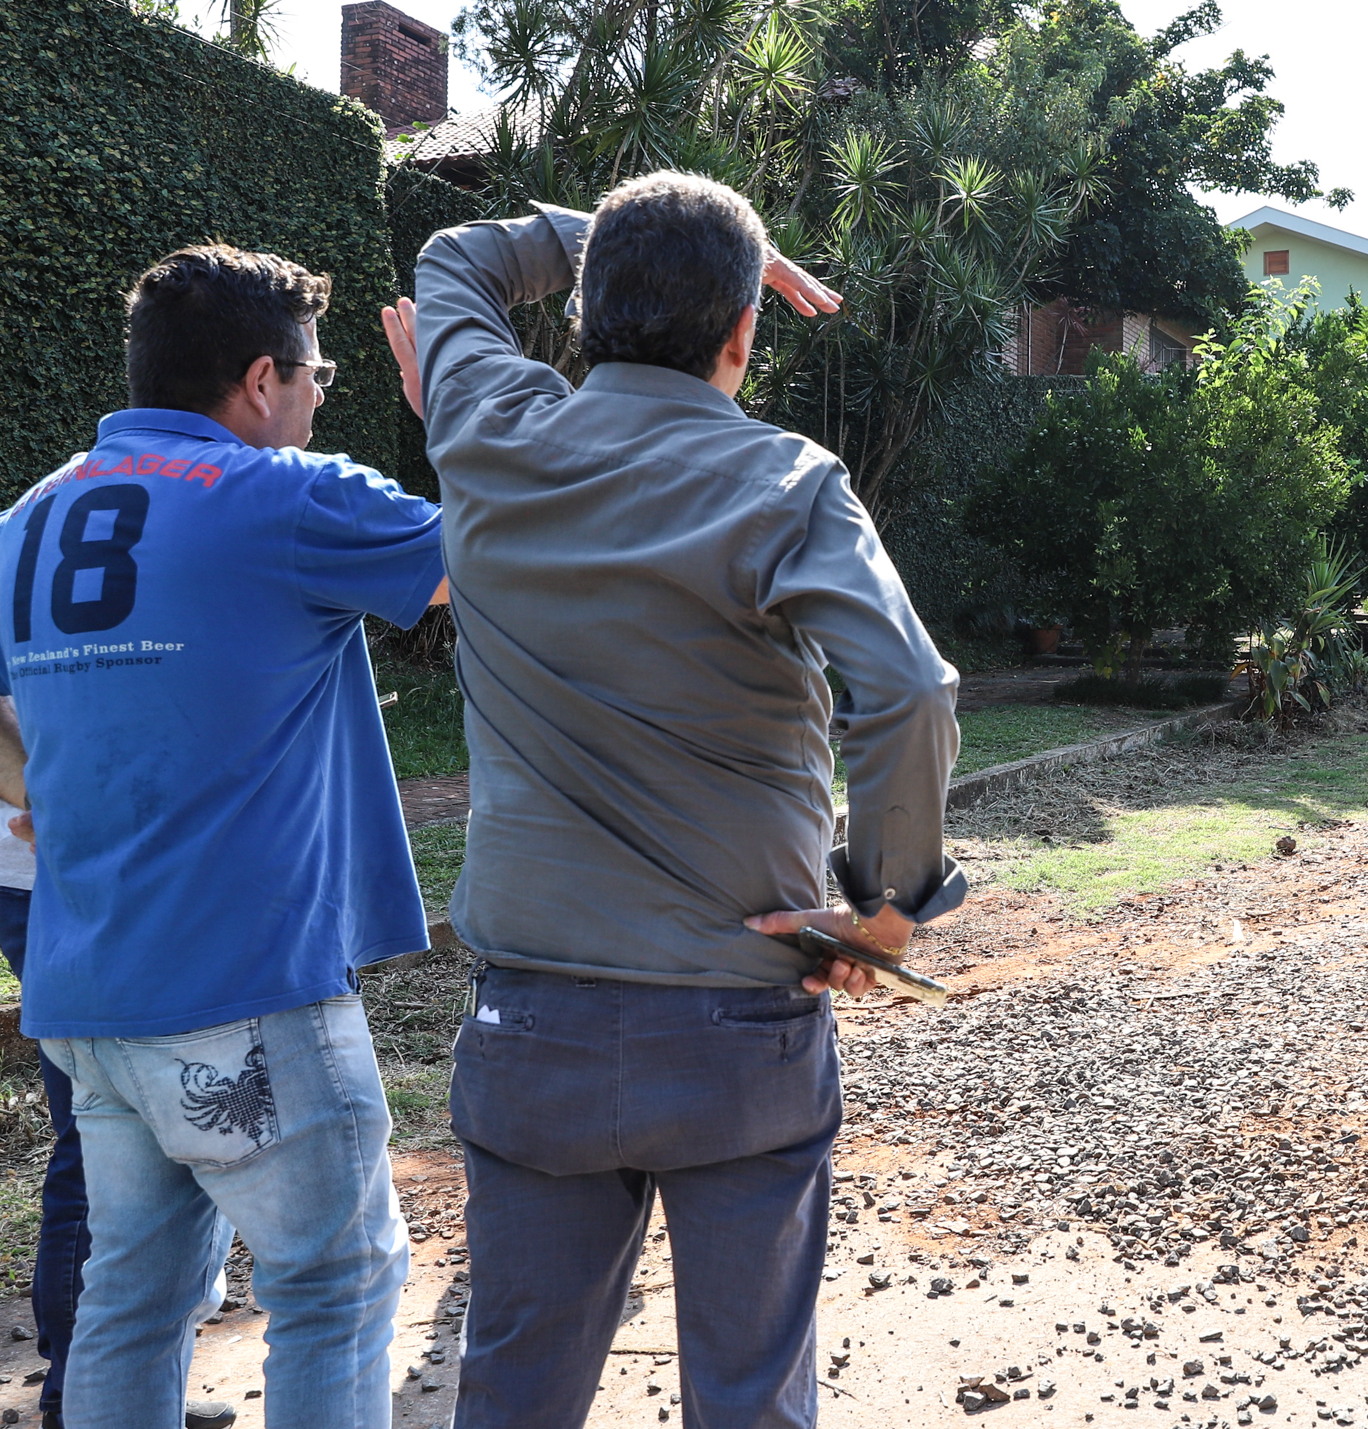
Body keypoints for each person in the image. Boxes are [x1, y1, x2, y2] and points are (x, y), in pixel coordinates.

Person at [393, 172, 965, 1428]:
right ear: (743, 337)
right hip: (737, 1031)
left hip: (529, 1027)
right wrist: (884, 907)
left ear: (588, 308)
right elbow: (910, 694)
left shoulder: (485, 431)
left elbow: (456, 259)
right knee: (750, 1394)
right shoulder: (788, 482)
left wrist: (622, 241)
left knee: (513, 1389)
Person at [0, 243, 446, 1429]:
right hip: (247, 986)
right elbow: (493, 557)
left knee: (131, 1299)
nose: (316, 399)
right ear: (258, 381)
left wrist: (38, 784)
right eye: (317, 375)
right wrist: (459, 413)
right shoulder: (287, 496)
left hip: (89, 990)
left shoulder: (32, 517)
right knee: (336, 1286)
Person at [0, 767, 237, 1429]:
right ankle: (83, 1397)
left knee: (166, 1143)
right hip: (73, 888)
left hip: (140, 884)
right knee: (102, 1145)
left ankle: (138, 1389)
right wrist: (55, 794)